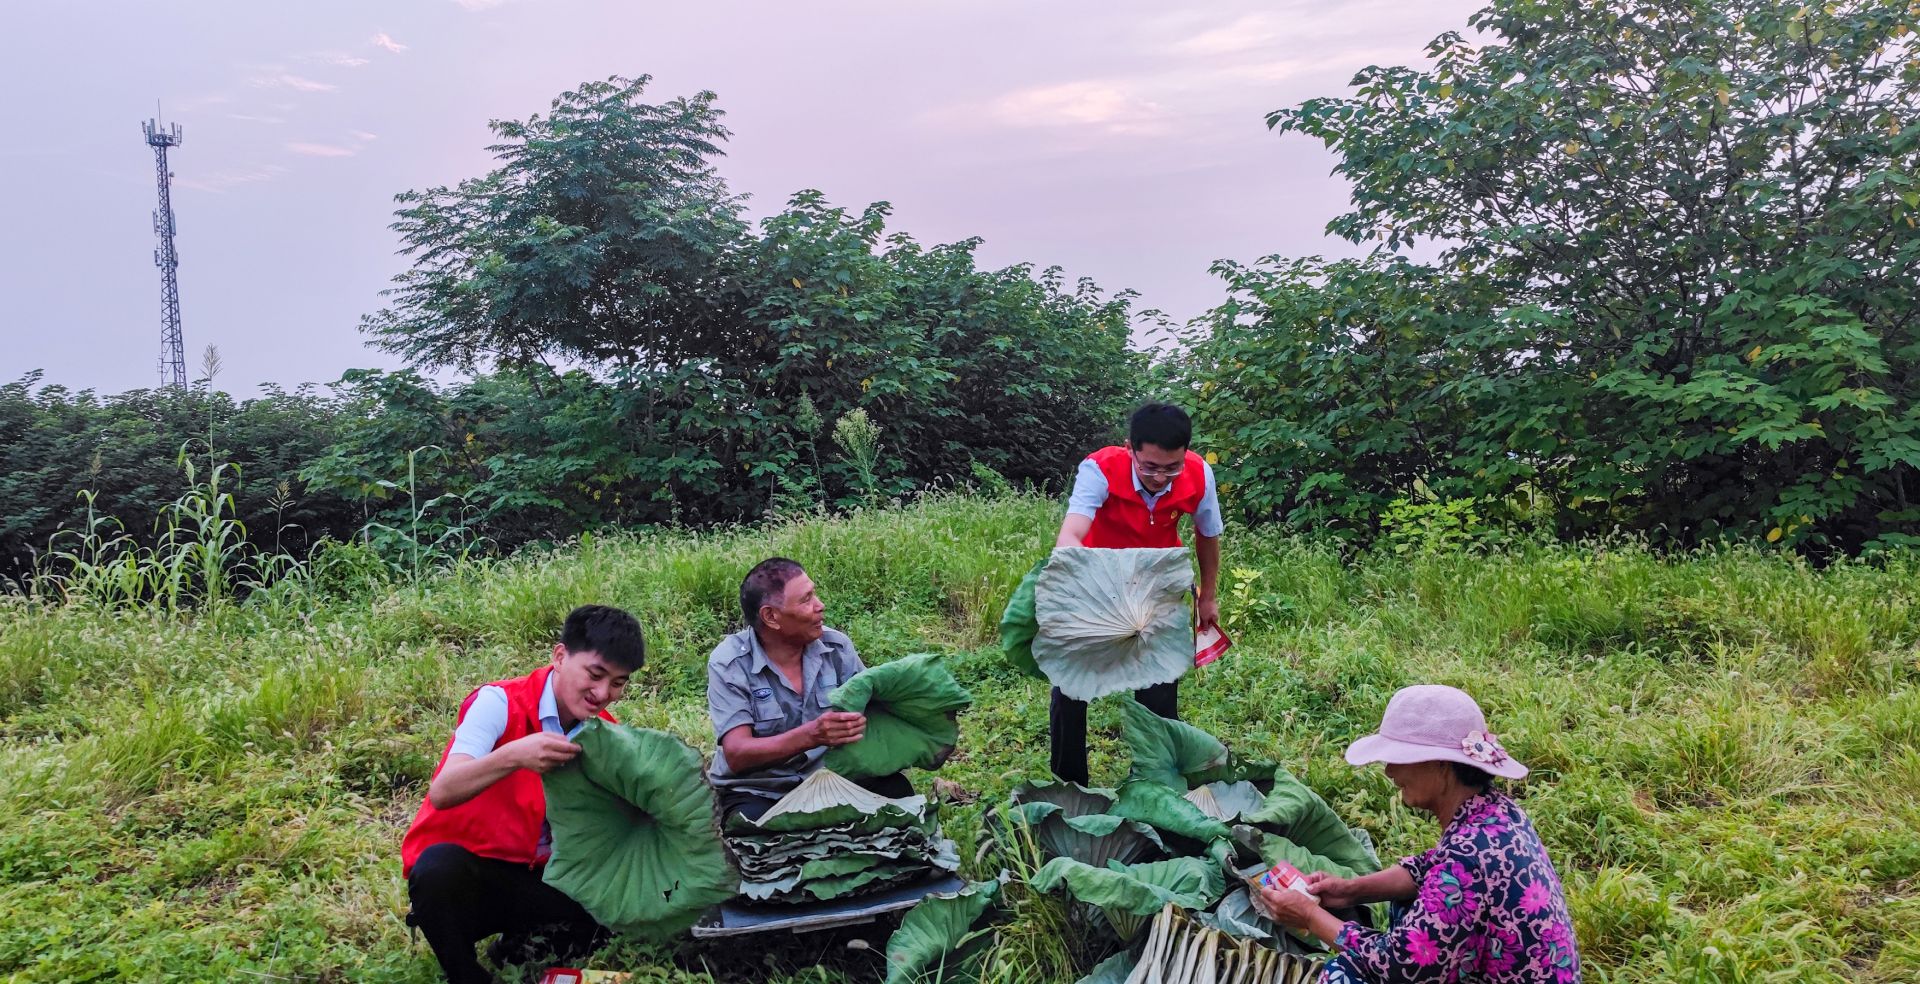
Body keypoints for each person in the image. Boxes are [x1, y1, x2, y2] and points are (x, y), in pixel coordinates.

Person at [1255, 685, 1583, 983]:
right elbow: (1430, 866)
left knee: (1346, 972)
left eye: (1400, 758)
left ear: (1442, 765)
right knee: (1411, 900)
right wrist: (1351, 891)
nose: (1389, 771)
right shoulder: (1499, 814)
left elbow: (1399, 965)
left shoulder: (1467, 856)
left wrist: (1310, 915)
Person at [401, 604, 648, 984]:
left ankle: (524, 944)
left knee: (630, 896)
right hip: (479, 875)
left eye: (618, 683)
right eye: (595, 675)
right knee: (437, 868)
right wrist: (513, 755)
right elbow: (444, 790)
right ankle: (466, 974)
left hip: (542, 876)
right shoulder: (498, 703)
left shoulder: (605, 733)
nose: (603, 694)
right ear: (560, 656)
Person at [1049, 402, 1224, 785]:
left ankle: (1155, 780)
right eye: (1149, 466)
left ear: (1185, 454)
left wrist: (1208, 596)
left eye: (1171, 467)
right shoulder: (1100, 469)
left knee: (1159, 688)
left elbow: (1207, 535)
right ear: (1130, 448)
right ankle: (1069, 783)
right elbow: (1073, 529)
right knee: (1071, 686)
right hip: (1096, 585)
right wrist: (1066, 576)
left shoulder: (1198, 474)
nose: (1161, 477)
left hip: (1156, 587)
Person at [706, 557, 912, 821]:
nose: (820, 606)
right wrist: (813, 735)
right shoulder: (730, 662)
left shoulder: (836, 648)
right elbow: (738, 754)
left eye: (814, 594)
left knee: (898, 795)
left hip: (833, 780)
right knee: (751, 829)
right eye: (806, 600)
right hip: (759, 790)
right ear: (771, 616)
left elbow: (875, 713)